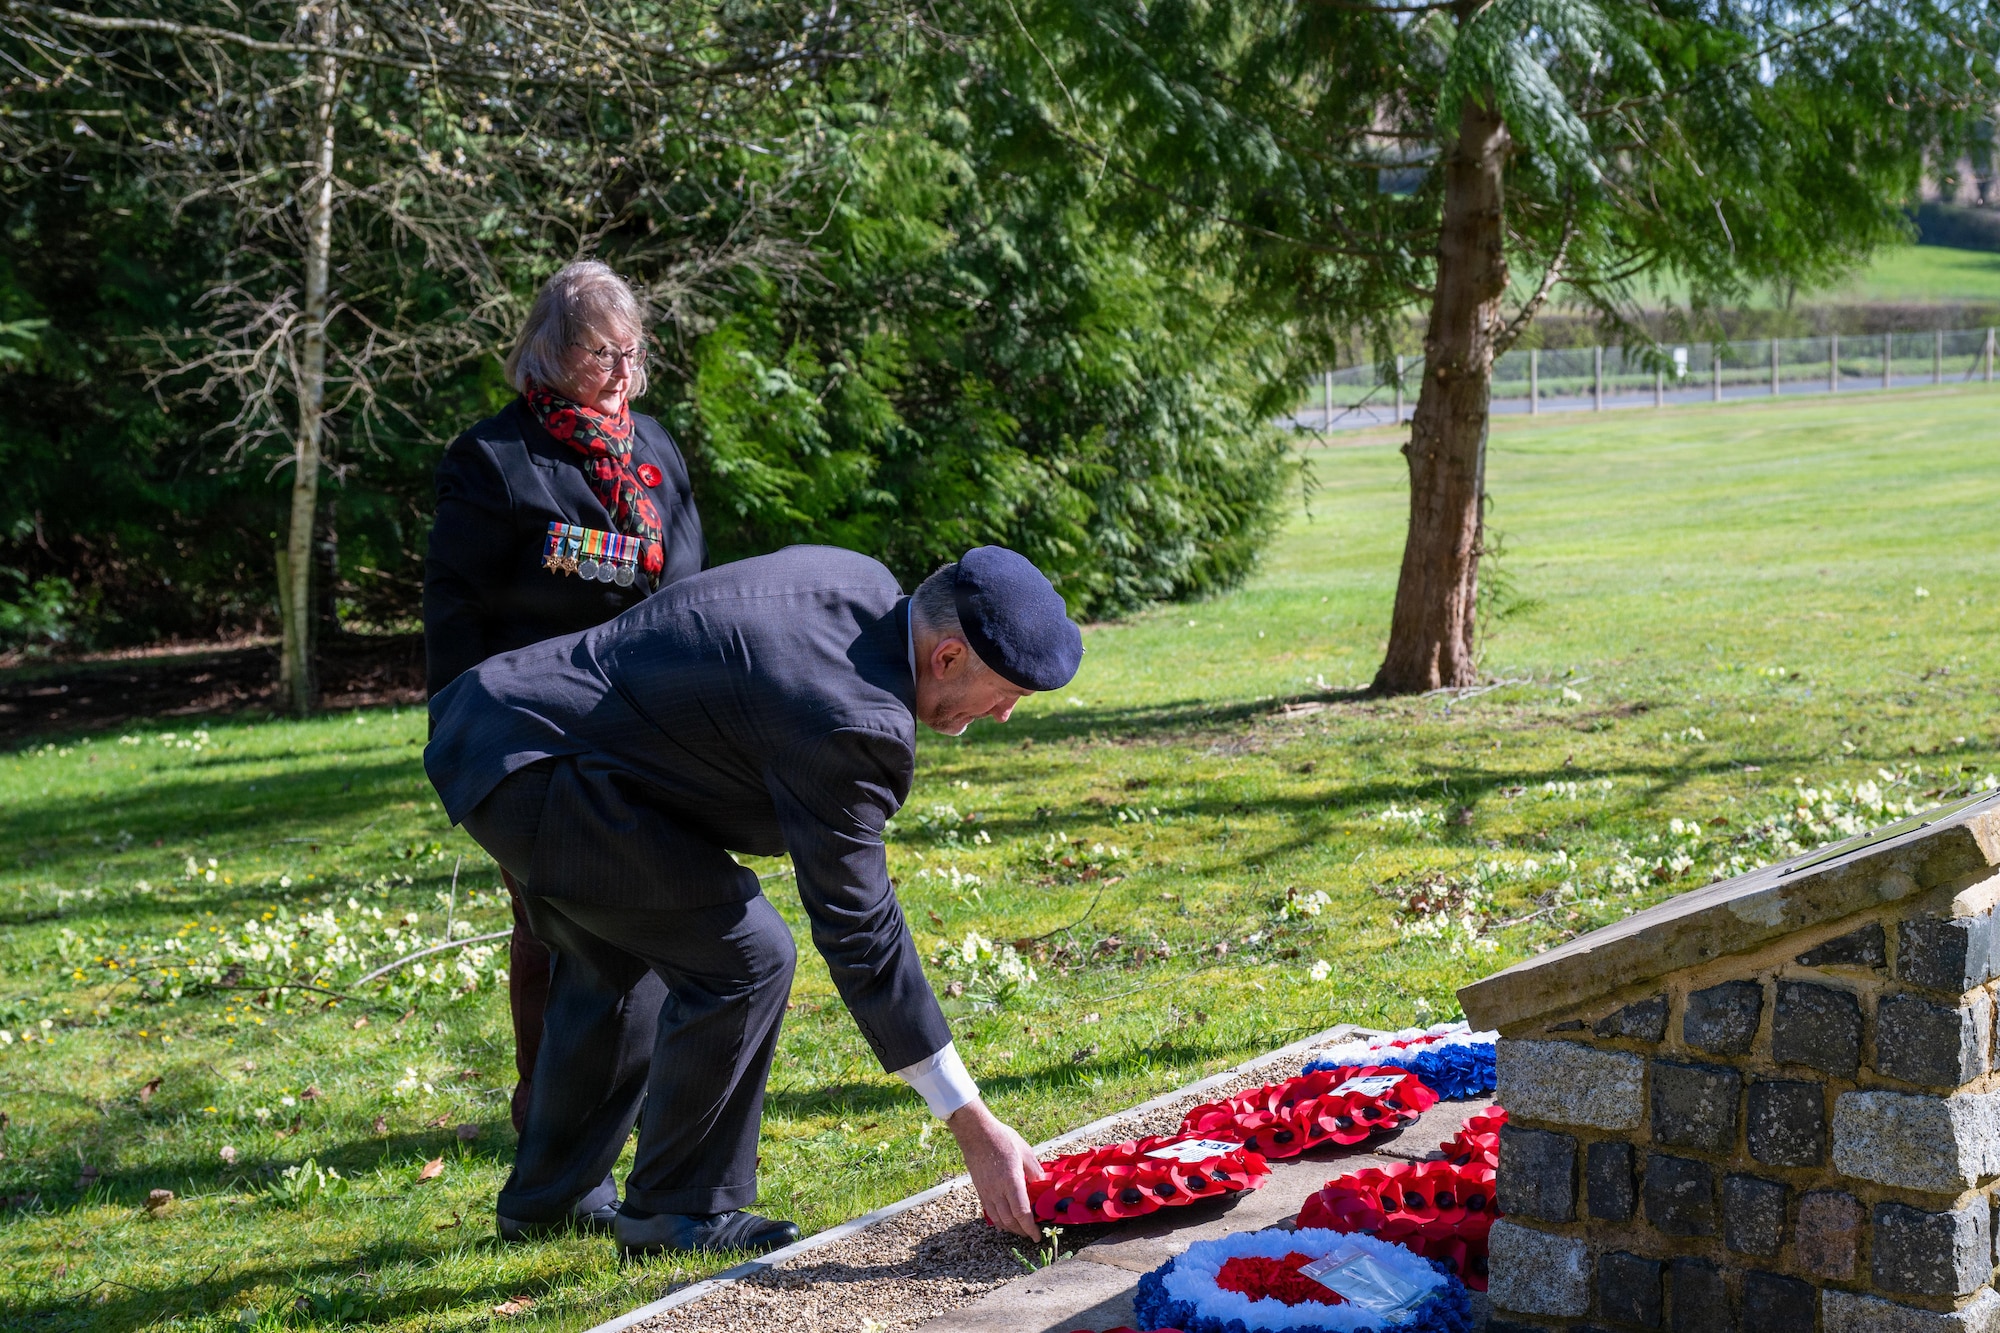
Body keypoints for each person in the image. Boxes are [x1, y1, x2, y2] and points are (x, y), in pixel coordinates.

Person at [424, 544, 1082, 1252]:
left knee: (616, 959)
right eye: (1007, 692)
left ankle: (551, 1200)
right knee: (746, 958)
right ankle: (680, 1209)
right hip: (546, 766)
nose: (1008, 714)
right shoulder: (853, 717)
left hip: (511, 731)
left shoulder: (857, 582)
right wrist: (971, 1122)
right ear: (947, 658)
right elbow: (862, 931)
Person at [422, 260, 705, 1158]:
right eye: (600, 352)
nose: (623, 370)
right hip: (534, 740)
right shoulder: (494, 460)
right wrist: (463, 742)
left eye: (633, 350)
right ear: (549, 353)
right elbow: (454, 615)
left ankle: (652, 1104)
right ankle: (546, 1114)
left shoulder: (655, 449)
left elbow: (688, 590)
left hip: (655, 730)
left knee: (671, 923)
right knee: (559, 930)